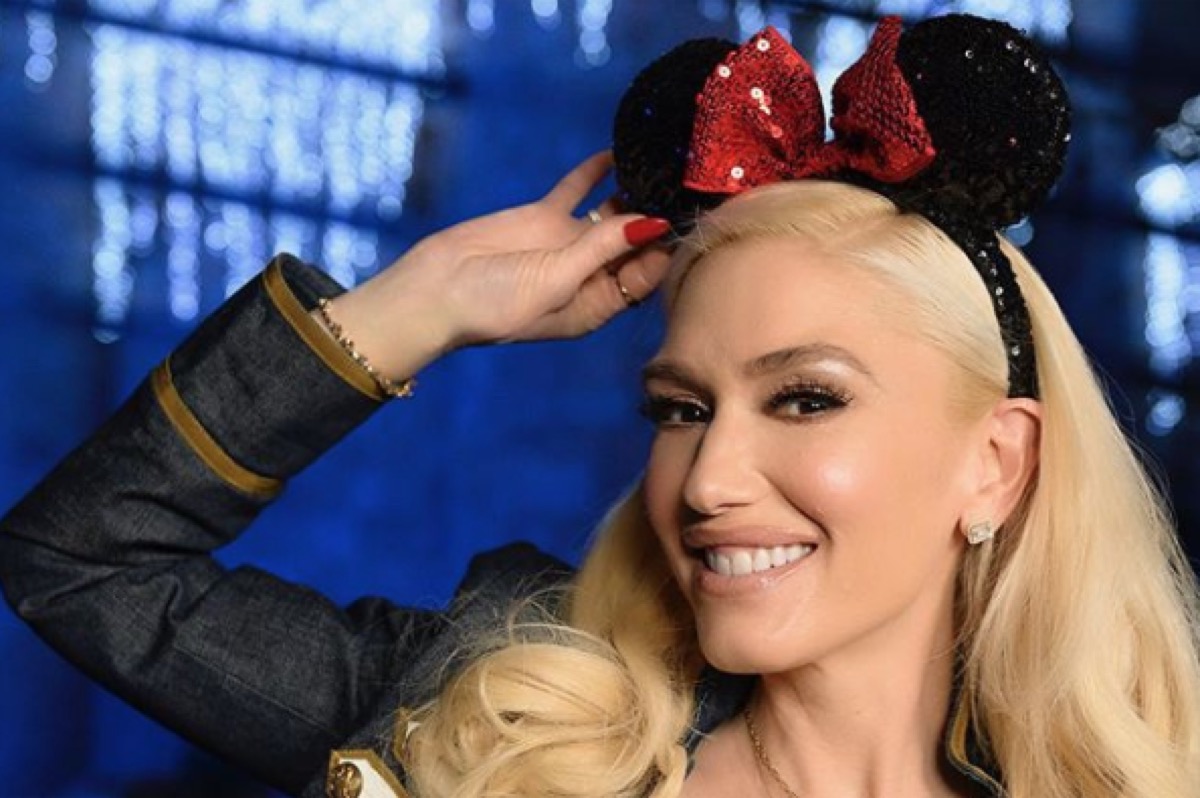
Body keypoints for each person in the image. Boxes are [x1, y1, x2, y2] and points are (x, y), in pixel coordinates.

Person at [4, 13, 1200, 798]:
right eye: (682, 409)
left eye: (804, 399)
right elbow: (79, 560)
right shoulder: (491, 720)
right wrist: (424, 304)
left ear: (996, 463)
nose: (710, 479)